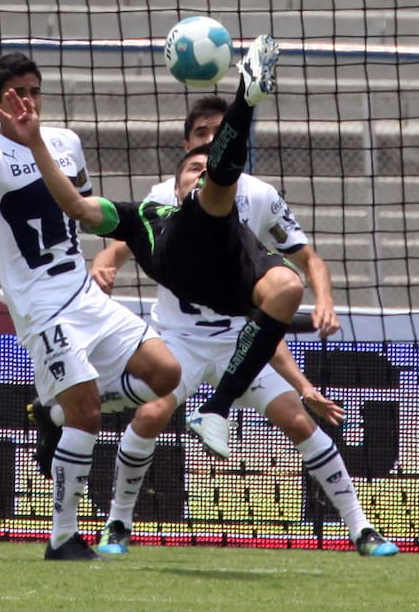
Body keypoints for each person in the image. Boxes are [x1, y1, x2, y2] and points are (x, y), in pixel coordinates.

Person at [85, 97, 397, 558]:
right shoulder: (162, 196)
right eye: (201, 134)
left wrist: (325, 303)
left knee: (298, 420)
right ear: (186, 143)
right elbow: (116, 246)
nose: (210, 141)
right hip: (179, 339)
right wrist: (102, 266)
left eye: (219, 133)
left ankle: (360, 528)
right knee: (149, 415)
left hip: (239, 336)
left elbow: (306, 260)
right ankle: (118, 523)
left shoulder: (261, 195)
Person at [0, 34, 321, 463]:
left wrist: (301, 374)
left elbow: (290, 273)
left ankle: (215, 411)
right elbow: (75, 205)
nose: (201, 171)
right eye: (194, 166)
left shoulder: (239, 205)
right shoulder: (146, 212)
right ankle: (247, 94)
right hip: (180, 264)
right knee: (154, 403)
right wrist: (36, 141)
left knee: (287, 288)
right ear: (176, 180)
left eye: (207, 166)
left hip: (233, 277)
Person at [0, 52, 181, 562]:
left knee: (167, 374)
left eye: (33, 90)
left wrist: (104, 261)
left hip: (84, 294)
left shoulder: (66, 143)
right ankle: (63, 536)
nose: (27, 100)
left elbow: (83, 212)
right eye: (14, 93)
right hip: (41, 307)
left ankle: (53, 411)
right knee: (87, 414)